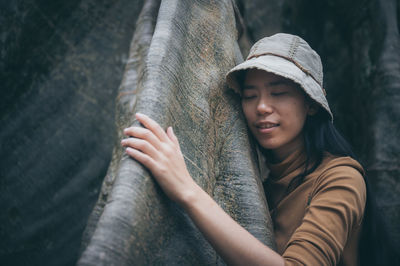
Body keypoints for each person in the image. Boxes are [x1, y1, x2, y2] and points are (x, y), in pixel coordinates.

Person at [120, 33, 396, 265]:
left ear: (311, 104)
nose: (261, 107)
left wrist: (187, 191)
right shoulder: (260, 188)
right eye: (250, 96)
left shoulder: (341, 178)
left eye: (278, 93)